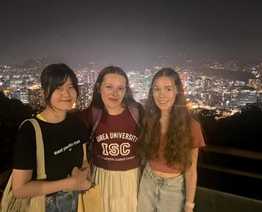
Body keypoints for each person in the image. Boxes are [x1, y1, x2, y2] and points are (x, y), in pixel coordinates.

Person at [11, 63, 91, 212]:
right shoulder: (30, 130)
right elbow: (19, 189)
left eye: (71, 87)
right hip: (44, 206)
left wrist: (84, 175)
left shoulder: (77, 123)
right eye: (58, 88)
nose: (66, 94)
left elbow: (84, 160)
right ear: (44, 92)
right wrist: (70, 183)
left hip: (76, 204)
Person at [137, 68, 205, 212]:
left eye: (168, 89)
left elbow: (191, 171)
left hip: (174, 187)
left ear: (177, 92)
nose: (161, 95)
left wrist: (189, 205)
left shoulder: (191, 126)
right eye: (157, 89)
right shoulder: (149, 120)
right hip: (147, 181)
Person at [82, 66, 143, 212]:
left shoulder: (137, 111)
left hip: (132, 178)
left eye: (120, 88)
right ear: (98, 88)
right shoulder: (91, 114)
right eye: (109, 87)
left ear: (125, 91)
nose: (114, 93)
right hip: (102, 177)